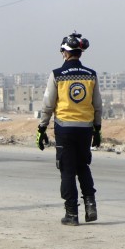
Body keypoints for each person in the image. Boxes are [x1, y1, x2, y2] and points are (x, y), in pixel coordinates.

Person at [37, 31, 103, 226]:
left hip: (64, 128)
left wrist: (41, 128)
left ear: (64, 53)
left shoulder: (57, 74)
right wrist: (97, 129)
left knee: (67, 170)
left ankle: (72, 214)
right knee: (83, 166)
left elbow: (48, 104)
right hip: (85, 129)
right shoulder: (91, 75)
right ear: (80, 53)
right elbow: (97, 105)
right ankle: (90, 204)